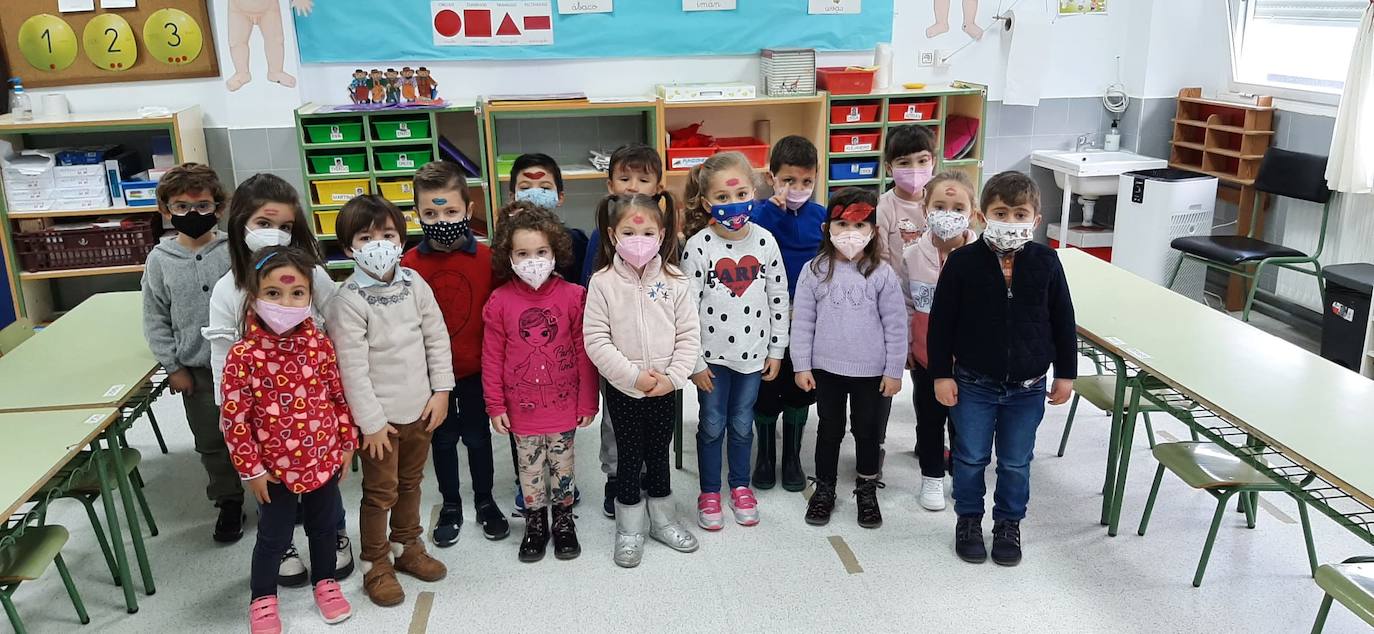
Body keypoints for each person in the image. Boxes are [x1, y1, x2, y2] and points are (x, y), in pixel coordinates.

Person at [202, 173, 350, 586]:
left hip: (315, 414)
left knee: (326, 490)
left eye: (285, 226)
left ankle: (334, 532)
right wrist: (233, 427)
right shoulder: (228, 290)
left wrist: (345, 421)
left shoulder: (313, 275)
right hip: (265, 420)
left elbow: (339, 330)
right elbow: (221, 362)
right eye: (265, 223)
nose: (276, 234)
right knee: (274, 496)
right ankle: (282, 544)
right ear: (240, 223)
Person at [928, 171, 1077, 567]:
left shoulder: (1047, 262)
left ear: (1036, 219)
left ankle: (1009, 523)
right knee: (970, 456)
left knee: (1015, 461)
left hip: (1028, 387)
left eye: (1020, 214)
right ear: (982, 216)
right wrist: (941, 374)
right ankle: (969, 520)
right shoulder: (962, 263)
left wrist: (1066, 372)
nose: (1010, 222)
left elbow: (1063, 319)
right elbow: (941, 323)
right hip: (973, 383)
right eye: (1000, 213)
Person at [220, 246, 356, 633]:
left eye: (297, 293)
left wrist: (346, 444)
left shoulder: (320, 345)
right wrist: (251, 470)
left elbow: (337, 397)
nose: (286, 302)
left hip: (322, 458)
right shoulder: (243, 356)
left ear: (310, 295)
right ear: (253, 295)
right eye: (273, 293)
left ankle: (325, 582)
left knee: (324, 527)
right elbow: (234, 419)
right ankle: (263, 597)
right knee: (274, 536)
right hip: (273, 471)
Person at [326, 196, 453, 606]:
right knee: (381, 492)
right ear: (349, 248)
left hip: (420, 410)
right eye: (366, 237)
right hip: (380, 423)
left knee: (411, 483)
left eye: (387, 234)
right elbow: (352, 369)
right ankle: (375, 562)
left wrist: (441, 391)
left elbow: (436, 338)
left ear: (401, 240)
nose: (378, 244)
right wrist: (372, 423)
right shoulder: (348, 300)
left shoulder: (415, 284)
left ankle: (406, 545)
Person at [584, 193, 700, 568]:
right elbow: (596, 340)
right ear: (612, 235)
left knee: (659, 455)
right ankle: (630, 529)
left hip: (664, 389)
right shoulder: (602, 283)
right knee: (629, 459)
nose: (639, 240)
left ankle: (663, 522)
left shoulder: (676, 281)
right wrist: (634, 377)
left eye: (648, 232)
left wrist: (673, 378)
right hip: (625, 391)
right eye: (629, 232)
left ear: (662, 235)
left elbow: (689, 335)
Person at [400, 162, 509, 547]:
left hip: (478, 371)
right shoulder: (409, 265)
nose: (441, 220)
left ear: (469, 209)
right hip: (432, 378)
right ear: (417, 213)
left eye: (450, 211)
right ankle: (450, 504)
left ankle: (485, 500)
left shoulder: (487, 259)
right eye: (430, 213)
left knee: (478, 438)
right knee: (443, 441)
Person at [680, 152, 789, 531]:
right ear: (706, 202)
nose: (734, 203)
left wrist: (777, 350)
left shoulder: (766, 241)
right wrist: (694, 362)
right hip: (711, 359)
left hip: (754, 357)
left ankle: (740, 486)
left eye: (741, 193)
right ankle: (710, 492)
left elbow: (779, 297)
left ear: (754, 192)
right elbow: (685, 309)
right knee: (712, 424)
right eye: (723, 197)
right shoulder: (698, 246)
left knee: (743, 424)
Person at [483, 208, 598, 562]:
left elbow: (584, 353)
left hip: (564, 407)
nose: (533, 261)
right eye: (522, 253)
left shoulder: (574, 296)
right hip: (522, 411)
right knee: (530, 472)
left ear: (555, 252)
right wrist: (495, 405)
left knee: (563, 468)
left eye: (541, 252)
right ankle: (535, 524)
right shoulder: (500, 301)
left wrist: (587, 401)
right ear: (508, 256)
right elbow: (492, 357)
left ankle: (563, 522)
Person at [791, 188, 907, 529]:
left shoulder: (882, 273)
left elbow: (896, 325)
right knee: (829, 429)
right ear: (827, 227)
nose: (850, 232)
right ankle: (825, 488)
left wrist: (894, 371)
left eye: (859, 225)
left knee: (867, 430)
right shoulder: (814, 270)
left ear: (873, 230)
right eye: (842, 224)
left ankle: (866, 488)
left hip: (870, 372)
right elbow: (803, 321)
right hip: (827, 369)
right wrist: (801, 364)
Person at [141, 163, 242, 543]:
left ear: (218, 207)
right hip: (197, 371)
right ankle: (228, 500)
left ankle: (274, 493)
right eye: (181, 207)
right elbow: (155, 317)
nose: (192, 214)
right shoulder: (160, 259)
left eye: (202, 206)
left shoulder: (235, 249)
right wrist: (173, 366)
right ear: (166, 210)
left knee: (261, 431)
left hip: (245, 366)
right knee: (212, 441)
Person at [580, 144, 666, 518]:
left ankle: (646, 473)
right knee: (616, 423)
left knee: (654, 421)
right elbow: (589, 294)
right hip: (616, 355)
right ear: (610, 185)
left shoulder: (664, 237)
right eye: (624, 178)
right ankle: (616, 476)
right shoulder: (601, 237)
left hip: (658, 356)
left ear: (658, 187)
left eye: (643, 179)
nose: (633, 186)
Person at [749, 135, 825, 492]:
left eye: (806, 181)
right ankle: (765, 454)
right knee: (767, 384)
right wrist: (771, 211)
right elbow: (747, 240)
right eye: (788, 180)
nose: (797, 189)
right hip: (765, 316)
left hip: (807, 317)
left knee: (801, 383)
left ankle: (792, 456)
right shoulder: (758, 213)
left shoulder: (821, 217)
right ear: (771, 178)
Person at [903, 172, 980, 512]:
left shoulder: (983, 258)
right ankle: (932, 477)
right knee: (930, 421)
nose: (948, 214)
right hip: (927, 359)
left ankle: (962, 477)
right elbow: (905, 304)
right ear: (925, 209)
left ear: (973, 212)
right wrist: (907, 346)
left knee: (965, 425)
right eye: (939, 206)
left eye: (958, 207)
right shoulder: (911, 256)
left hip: (971, 362)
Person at [509, 153, 587, 282]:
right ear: (513, 197)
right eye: (525, 187)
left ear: (560, 197)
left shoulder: (574, 241)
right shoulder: (506, 241)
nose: (535, 193)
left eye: (545, 187)